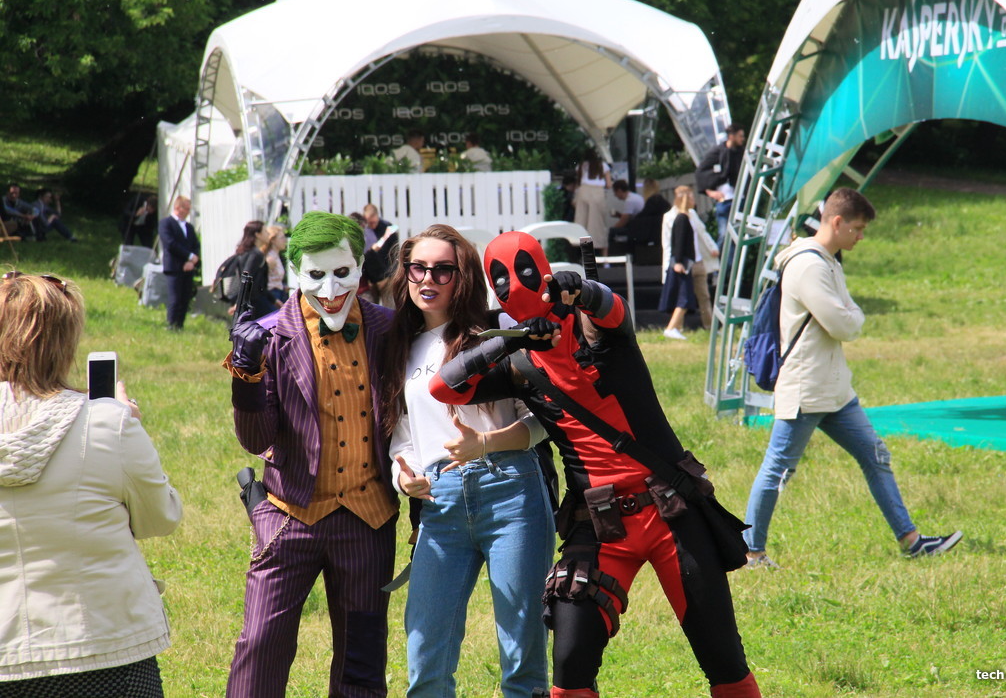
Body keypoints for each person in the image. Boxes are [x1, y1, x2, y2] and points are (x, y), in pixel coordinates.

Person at [430, 232, 762, 698]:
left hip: (670, 510)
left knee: (724, 662)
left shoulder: (596, 331)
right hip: (601, 525)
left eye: (524, 270)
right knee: (569, 665)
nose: (514, 285)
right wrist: (507, 342)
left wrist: (582, 290)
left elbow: (614, 310)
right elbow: (443, 388)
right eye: (499, 279)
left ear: (545, 270)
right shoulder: (521, 364)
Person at [223, 211, 398, 697]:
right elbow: (255, 440)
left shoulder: (388, 330)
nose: (331, 289)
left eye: (342, 272)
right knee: (261, 645)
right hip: (289, 514)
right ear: (296, 272)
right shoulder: (271, 335)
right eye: (316, 275)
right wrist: (247, 374)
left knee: (362, 658)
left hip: (367, 519)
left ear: (360, 267)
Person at [743, 188, 962, 569]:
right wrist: (851, 314)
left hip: (835, 390)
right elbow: (844, 323)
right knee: (777, 470)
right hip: (807, 389)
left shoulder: (828, 261)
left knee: (876, 457)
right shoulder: (808, 265)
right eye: (857, 228)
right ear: (837, 222)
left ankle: (911, 541)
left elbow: (848, 315)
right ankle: (750, 553)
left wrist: (849, 314)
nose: (861, 236)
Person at [379, 224, 554, 697]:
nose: (427, 279)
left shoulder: (494, 337)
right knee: (425, 656)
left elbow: (542, 421)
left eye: (443, 270)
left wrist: (487, 443)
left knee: (522, 657)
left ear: (464, 278)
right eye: (418, 268)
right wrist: (404, 476)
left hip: (510, 491)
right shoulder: (398, 345)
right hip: (439, 503)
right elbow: (402, 438)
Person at [0, 271, 182, 694]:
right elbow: (161, 518)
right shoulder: (106, 423)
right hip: (104, 647)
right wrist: (125, 424)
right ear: (65, 343)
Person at [661, 186, 719, 332]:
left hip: (697, 262)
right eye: (691, 197)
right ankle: (676, 328)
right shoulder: (672, 217)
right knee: (682, 298)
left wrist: (712, 247)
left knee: (703, 296)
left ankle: (709, 327)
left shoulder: (692, 214)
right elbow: (669, 244)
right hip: (683, 263)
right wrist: (671, 264)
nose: (694, 200)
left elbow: (702, 233)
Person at [694, 124, 746, 246]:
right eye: (740, 136)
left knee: (738, 236)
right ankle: (719, 257)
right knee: (724, 235)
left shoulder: (741, 152)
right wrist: (710, 192)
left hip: (739, 198)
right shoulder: (718, 152)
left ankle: (732, 259)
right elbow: (701, 172)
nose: (742, 139)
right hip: (724, 200)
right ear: (731, 136)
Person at [158, 196, 200, 330]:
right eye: (186, 208)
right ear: (178, 208)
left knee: (185, 298)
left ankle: (180, 325)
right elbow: (170, 244)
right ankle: (171, 323)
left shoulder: (189, 227)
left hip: (188, 266)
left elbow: (195, 245)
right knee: (175, 298)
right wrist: (189, 256)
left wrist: (192, 261)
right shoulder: (166, 223)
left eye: (188, 209)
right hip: (174, 266)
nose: (187, 212)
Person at [221, 220, 276, 318]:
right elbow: (246, 277)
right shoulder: (256, 254)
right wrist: (239, 303)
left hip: (248, 301)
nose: (268, 234)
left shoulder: (243, 252)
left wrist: (274, 300)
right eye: (265, 231)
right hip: (254, 302)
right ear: (258, 235)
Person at [350, 204, 400, 304]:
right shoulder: (365, 231)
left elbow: (395, 253)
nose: (371, 225)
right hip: (370, 278)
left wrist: (390, 274)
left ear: (377, 216)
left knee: (389, 306)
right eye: (369, 222)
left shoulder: (387, 228)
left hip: (387, 277)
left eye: (373, 222)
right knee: (373, 307)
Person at [574, 149, 612, 256]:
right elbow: (609, 184)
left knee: (583, 224)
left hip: (583, 192)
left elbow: (578, 183)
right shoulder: (603, 166)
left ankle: (586, 257)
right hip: (598, 193)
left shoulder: (580, 166)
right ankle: (604, 256)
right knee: (598, 225)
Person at [260, 224, 289, 307]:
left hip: (278, 293)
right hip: (272, 296)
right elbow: (263, 281)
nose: (285, 240)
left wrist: (282, 286)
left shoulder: (276, 256)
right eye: (281, 238)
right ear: (273, 240)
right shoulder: (270, 259)